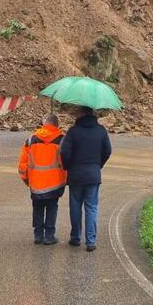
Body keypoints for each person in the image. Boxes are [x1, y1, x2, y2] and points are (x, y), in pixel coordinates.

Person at [59, 106, 111, 251]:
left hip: (75, 175)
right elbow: (108, 151)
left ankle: (75, 238)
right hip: (93, 174)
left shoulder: (73, 131)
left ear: (81, 114)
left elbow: (64, 152)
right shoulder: (101, 131)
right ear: (93, 114)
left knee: (75, 206)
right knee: (92, 207)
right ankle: (91, 241)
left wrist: (68, 166)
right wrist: (97, 165)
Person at [17, 114, 67, 245]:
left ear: (44, 123)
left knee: (37, 208)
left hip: (36, 183)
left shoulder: (31, 139)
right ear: (57, 124)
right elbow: (66, 162)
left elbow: (23, 163)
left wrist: (26, 179)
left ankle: (38, 235)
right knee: (52, 207)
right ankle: (49, 236)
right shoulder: (62, 140)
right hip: (55, 183)